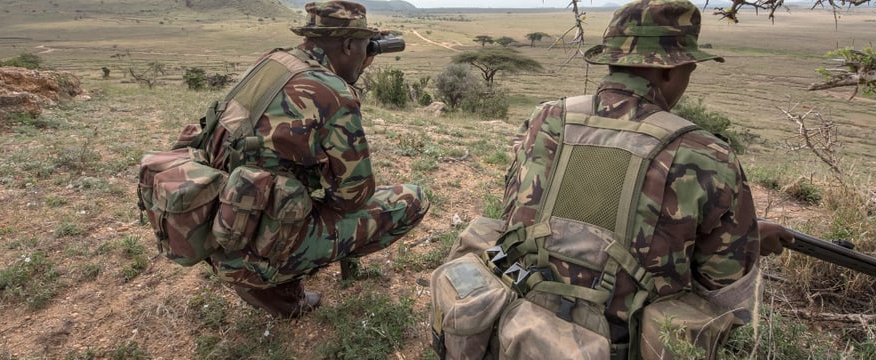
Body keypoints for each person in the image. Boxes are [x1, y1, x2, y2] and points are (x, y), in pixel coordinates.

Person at [497, 0, 793, 352]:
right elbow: (726, 296)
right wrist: (748, 243)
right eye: (689, 70)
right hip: (616, 345)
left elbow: (531, 213)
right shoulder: (707, 153)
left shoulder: (545, 118)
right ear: (669, 70)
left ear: (613, 60)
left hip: (516, 329)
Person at [208, 0, 428, 318]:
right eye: (366, 45)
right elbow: (354, 196)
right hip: (253, 246)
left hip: (220, 225)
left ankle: (267, 272)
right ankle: (275, 281)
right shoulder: (333, 93)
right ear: (350, 44)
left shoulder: (273, 61)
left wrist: (350, 67)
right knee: (413, 199)